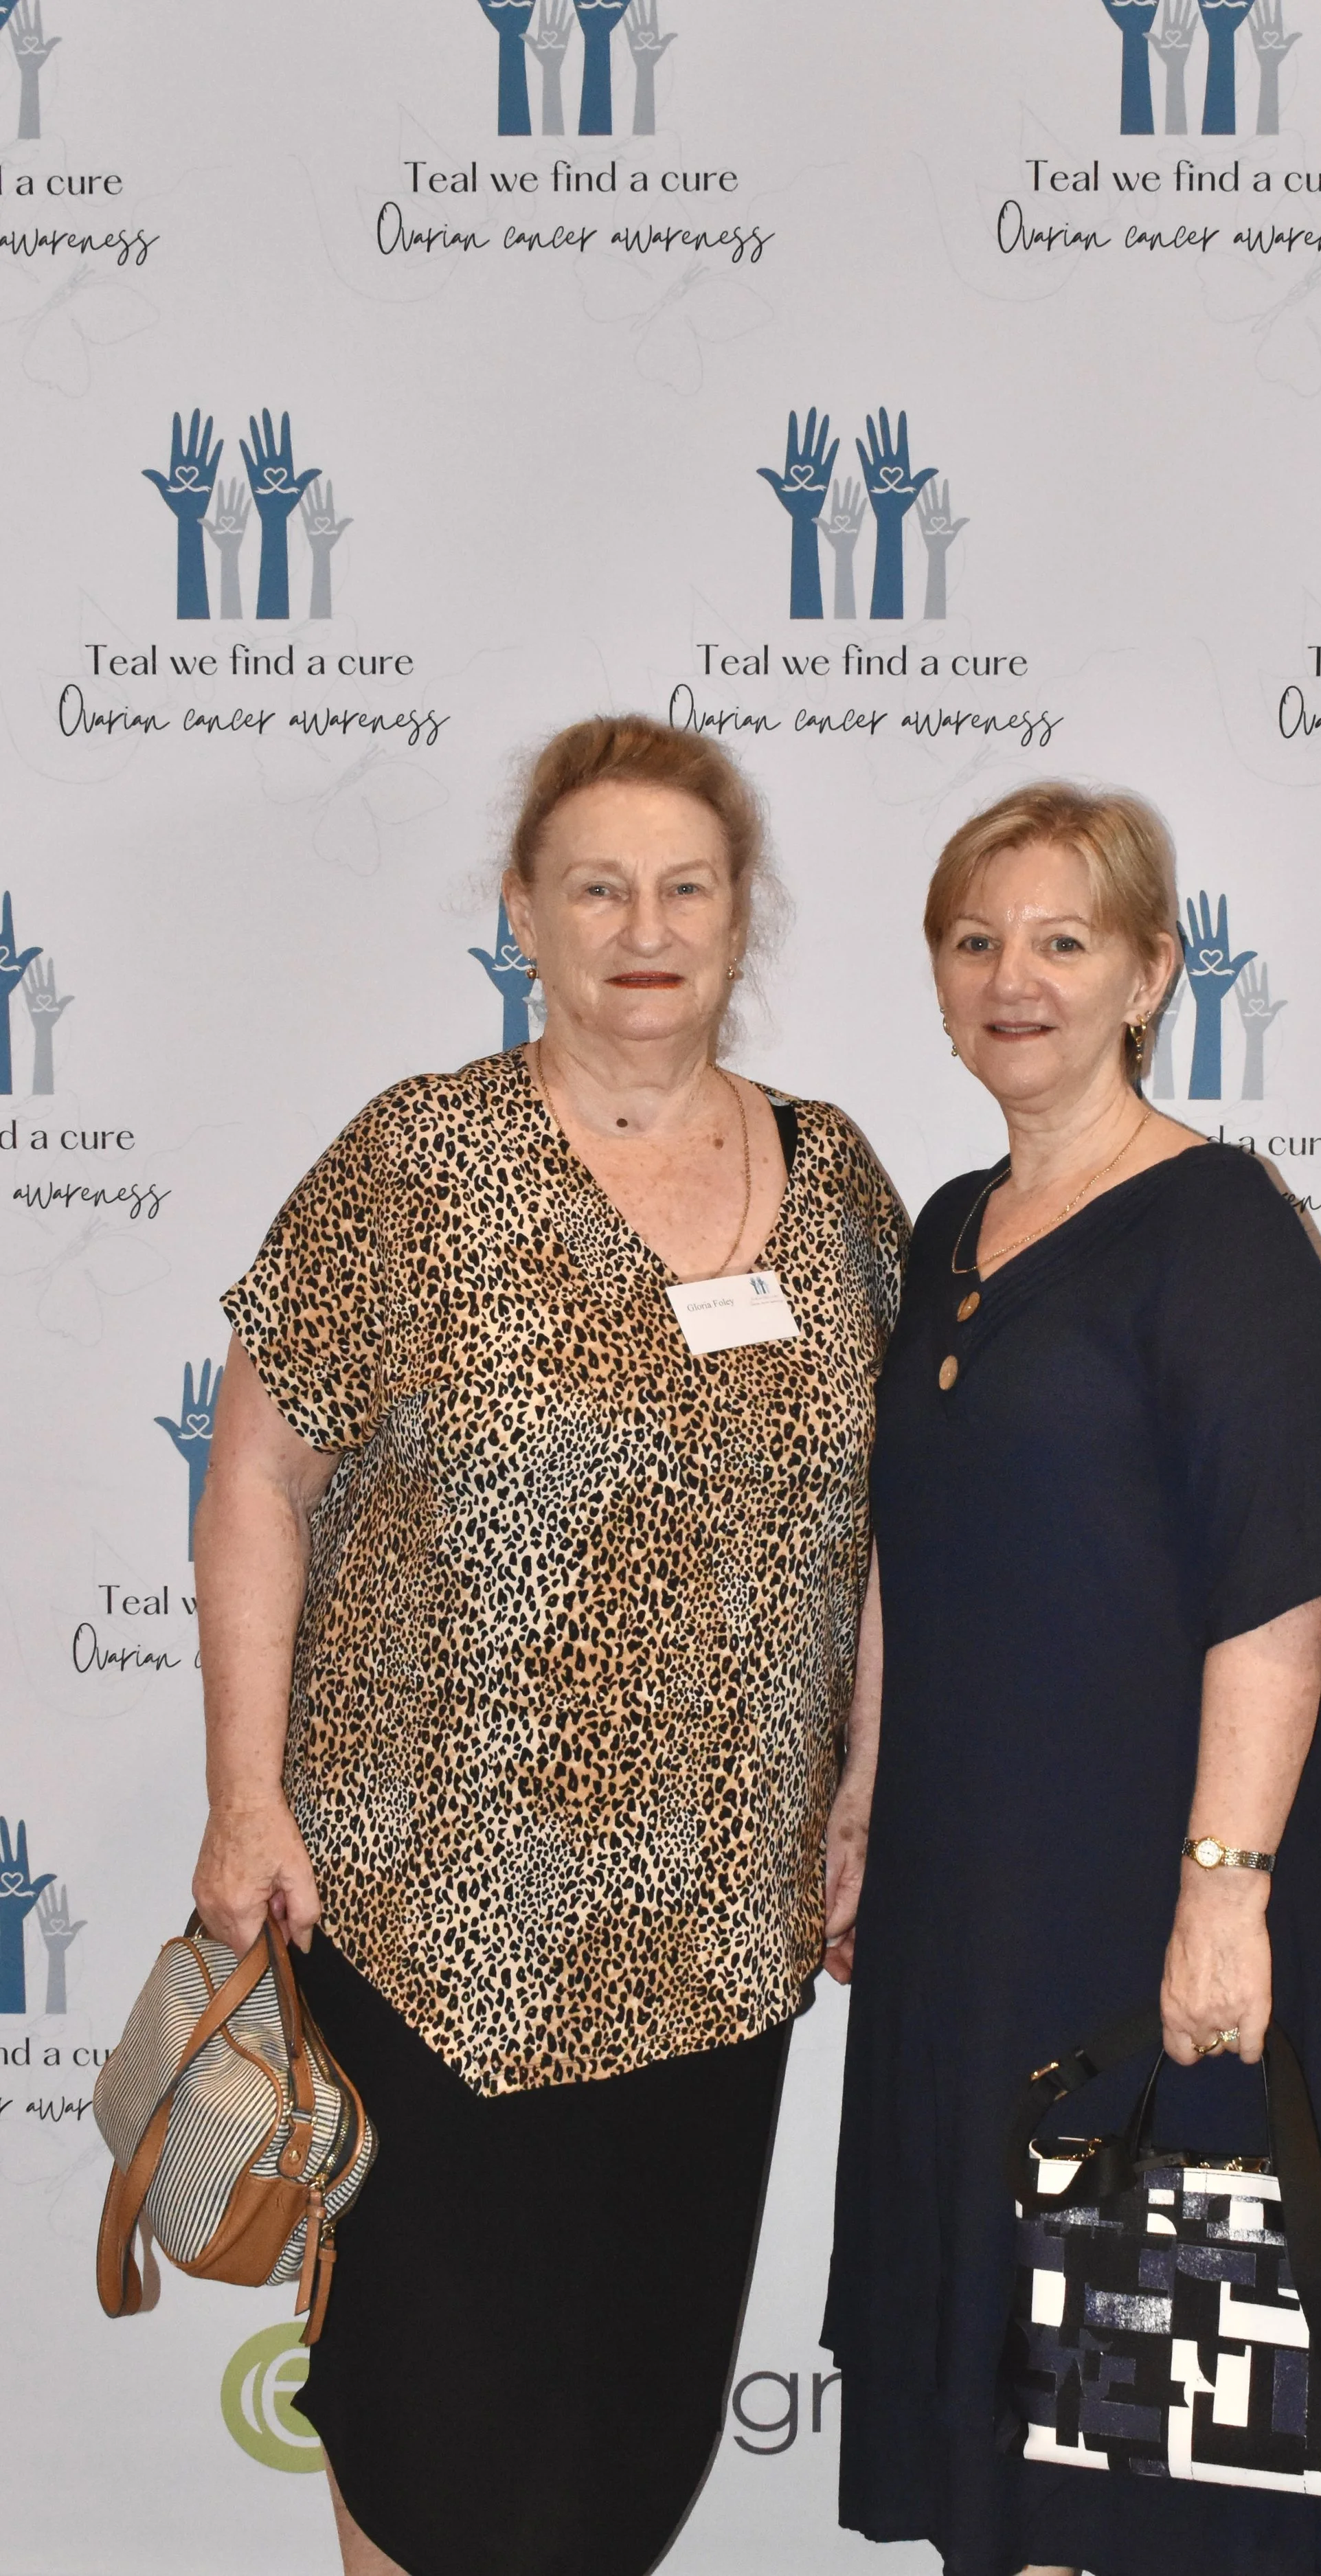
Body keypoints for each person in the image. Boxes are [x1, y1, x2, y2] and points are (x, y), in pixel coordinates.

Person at [191, 714, 907, 2576]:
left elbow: (888, 1520)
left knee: (613, 2449)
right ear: (524, 910)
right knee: (435, 2441)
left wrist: (866, 1787)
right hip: (440, 1935)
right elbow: (257, 1476)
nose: (641, 926)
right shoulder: (418, 1163)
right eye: (597, 885)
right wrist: (241, 1798)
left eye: (683, 887)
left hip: (719, 1936)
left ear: (740, 919)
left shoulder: (838, 1188)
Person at [824, 783, 1321, 2576]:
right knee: (1014, 2400)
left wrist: (1221, 1899)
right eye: (974, 939)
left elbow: (1275, 1590)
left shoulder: (1216, 1226)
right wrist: (859, 1795)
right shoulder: (945, 1226)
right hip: (966, 1887)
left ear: (1149, 973)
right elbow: (915, 1546)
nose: (1013, 978)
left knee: (1166, 2418)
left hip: (1155, 1882)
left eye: (1063, 941)